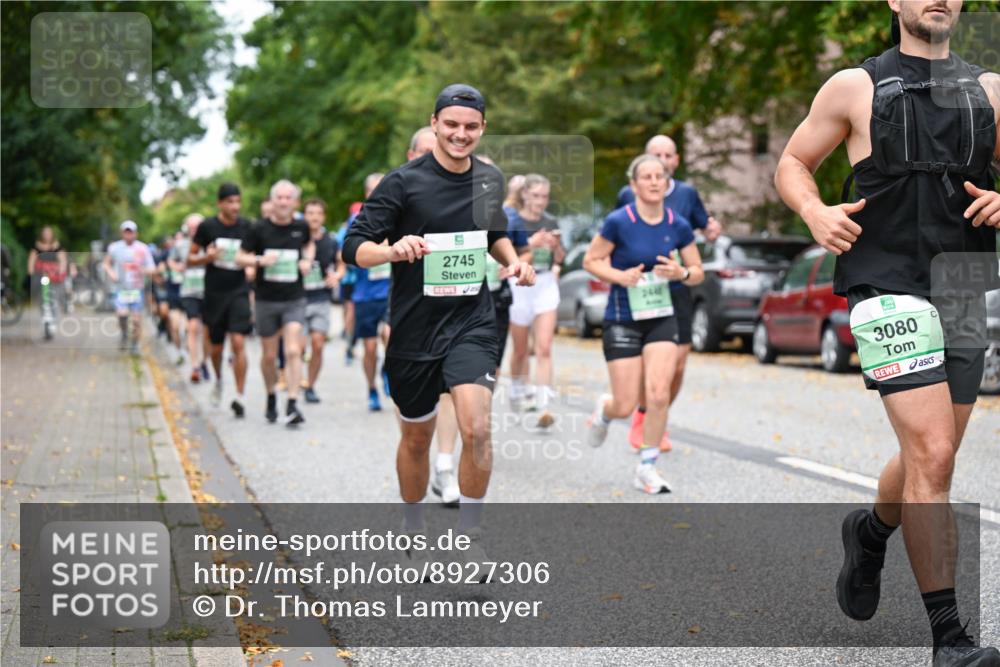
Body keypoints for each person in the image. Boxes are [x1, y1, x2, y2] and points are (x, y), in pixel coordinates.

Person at [774, 2, 1000, 664]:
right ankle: (950, 639)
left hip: (959, 284)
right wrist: (814, 211)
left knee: (937, 452)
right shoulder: (855, 86)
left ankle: (870, 531)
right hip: (885, 282)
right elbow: (792, 161)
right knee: (931, 453)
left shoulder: (990, 91)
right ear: (895, 2)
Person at [343, 83, 535, 555]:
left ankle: (471, 539)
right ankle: (413, 528)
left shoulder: (489, 180)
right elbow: (353, 248)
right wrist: (391, 249)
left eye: (470, 126)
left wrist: (512, 260)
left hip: (473, 319)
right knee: (416, 439)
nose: (460, 134)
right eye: (451, 124)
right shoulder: (403, 183)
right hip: (414, 327)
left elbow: (494, 233)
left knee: (477, 427)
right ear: (434, 125)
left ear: (482, 129)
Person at [583, 154, 703, 494]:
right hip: (623, 317)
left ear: (667, 183)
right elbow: (590, 260)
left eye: (659, 176)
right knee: (624, 403)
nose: (653, 182)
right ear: (633, 185)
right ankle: (605, 412)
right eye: (646, 177)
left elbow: (698, 272)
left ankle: (647, 467)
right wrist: (620, 276)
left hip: (661, 317)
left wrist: (680, 273)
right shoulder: (619, 221)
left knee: (658, 393)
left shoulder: (677, 224)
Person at [616, 134, 723, 452]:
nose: (662, 161)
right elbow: (615, 235)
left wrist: (712, 231)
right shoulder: (627, 194)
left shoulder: (687, 194)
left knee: (677, 363)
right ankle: (644, 418)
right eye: (655, 155)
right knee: (649, 361)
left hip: (677, 286)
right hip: (643, 289)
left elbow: (706, 228)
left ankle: (656, 414)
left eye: (667, 155)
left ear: (676, 161)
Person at [238, 179, 315, 427]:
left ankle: (292, 402)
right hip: (266, 299)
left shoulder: (301, 226)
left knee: (293, 350)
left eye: (287, 198)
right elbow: (241, 257)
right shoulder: (258, 229)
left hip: (294, 298)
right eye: (278, 197)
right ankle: (271, 394)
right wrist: (260, 261)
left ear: (295, 202)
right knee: (269, 356)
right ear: (272, 201)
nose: (283, 202)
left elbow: (309, 245)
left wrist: (306, 261)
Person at [189, 183, 253, 416]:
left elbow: (253, 255)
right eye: (230, 202)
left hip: (239, 290)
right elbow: (190, 257)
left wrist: (251, 267)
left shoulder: (247, 226)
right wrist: (208, 256)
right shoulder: (207, 227)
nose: (235, 206)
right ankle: (218, 379)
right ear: (220, 203)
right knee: (216, 349)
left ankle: (240, 396)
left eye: (238, 201)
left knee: (238, 341)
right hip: (215, 294)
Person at [506, 173, 564, 428]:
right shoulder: (513, 221)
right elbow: (509, 259)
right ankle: (518, 387)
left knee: (544, 347)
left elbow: (560, 258)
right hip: (519, 285)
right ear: (525, 195)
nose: (540, 201)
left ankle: (543, 404)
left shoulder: (551, 221)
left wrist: (555, 246)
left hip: (545, 284)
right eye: (536, 195)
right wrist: (532, 243)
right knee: (520, 349)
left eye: (545, 196)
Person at [348, 173, 393, 412]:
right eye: (375, 190)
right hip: (365, 295)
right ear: (367, 194)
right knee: (369, 348)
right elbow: (348, 253)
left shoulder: (398, 216)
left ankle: (387, 369)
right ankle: (371, 389)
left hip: (390, 291)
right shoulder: (358, 220)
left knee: (390, 334)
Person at [301, 198, 339, 403]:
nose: (314, 217)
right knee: (297, 347)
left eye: (318, 213)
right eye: (310, 213)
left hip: (320, 299)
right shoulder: (296, 238)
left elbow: (341, 264)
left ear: (323, 216)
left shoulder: (330, 241)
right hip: (297, 300)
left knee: (317, 344)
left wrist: (337, 276)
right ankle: (293, 376)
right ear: (304, 215)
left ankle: (310, 385)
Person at [103, 221, 156, 354]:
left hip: (136, 289)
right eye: (126, 232)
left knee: (137, 319)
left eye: (131, 232)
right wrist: (112, 273)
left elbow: (152, 268)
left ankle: (135, 344)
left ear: (135, 233)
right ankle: (124, 333)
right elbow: (106, 264)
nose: (128, 235)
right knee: (122, 315)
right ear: (122, 233)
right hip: (120, 289)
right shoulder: (114, 248)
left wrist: (142, 270)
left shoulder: (143, 249)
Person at [171, 214, 211, 383]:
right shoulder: (180, 245)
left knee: (208, 332)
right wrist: (178, 267)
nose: (195, 230)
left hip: (208, 292)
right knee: (193, 327)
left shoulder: (211, 244)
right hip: (189, 291)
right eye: (192, 227)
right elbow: (171, 261)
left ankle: (204, 362)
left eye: (198, 226)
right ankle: (194, 366)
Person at [28, 226, 68, 332]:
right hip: (41, 275)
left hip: (54, 276)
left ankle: (53, 320)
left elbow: (62, 260)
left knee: (53, 299)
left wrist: (61, 271)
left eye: (48, 233)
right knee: (42, 299)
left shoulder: (57, 247)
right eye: (45, 233)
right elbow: (32, 260)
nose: (46, 235)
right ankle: (45, 318)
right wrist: (31, 272)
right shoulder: (37, 247)